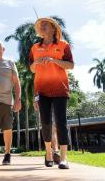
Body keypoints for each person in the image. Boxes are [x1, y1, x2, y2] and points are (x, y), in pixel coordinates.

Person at [29, 17, 74, 169]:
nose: (42, 27)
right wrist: (36, 62)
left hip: (60, 89)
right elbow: (32, 69)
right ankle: (48, 154)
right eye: (41, 26)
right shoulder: (35, 47)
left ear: (54, 28)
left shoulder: (63, 45)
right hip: (41, 90)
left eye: (45, 25)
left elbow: (71, 65)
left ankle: (63, 158)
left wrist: (53, 60)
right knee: (46, 123)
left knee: (61, 122)